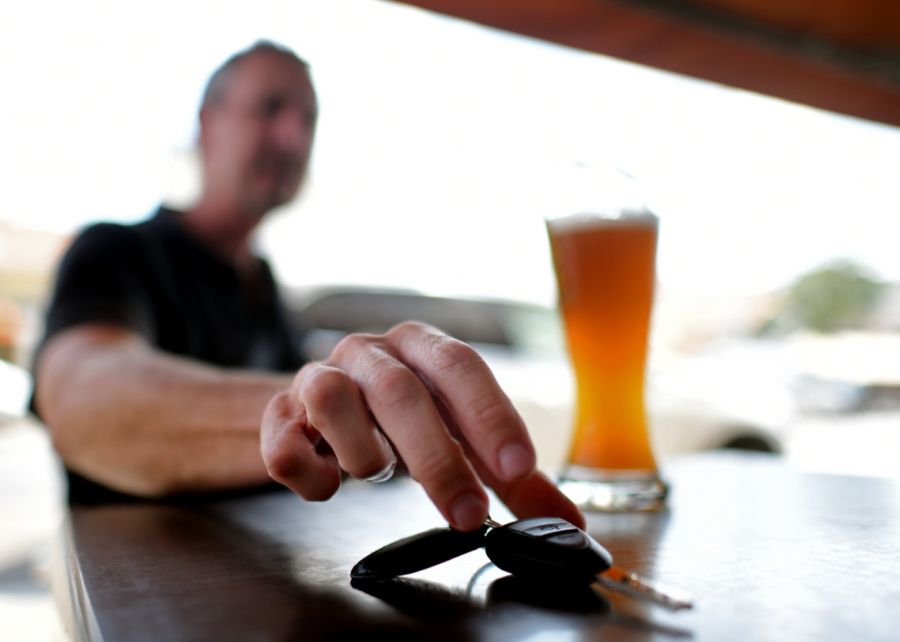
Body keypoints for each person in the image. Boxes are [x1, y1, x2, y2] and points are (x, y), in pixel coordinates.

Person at [32, 41, 583, 532]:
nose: (294, 136)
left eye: (308, 119)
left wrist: (390, 416)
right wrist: (296, 405)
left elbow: (327, 440)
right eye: (271, 108)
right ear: (208, 122)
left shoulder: (264, 288)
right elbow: (80, 398)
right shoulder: (115, 250)